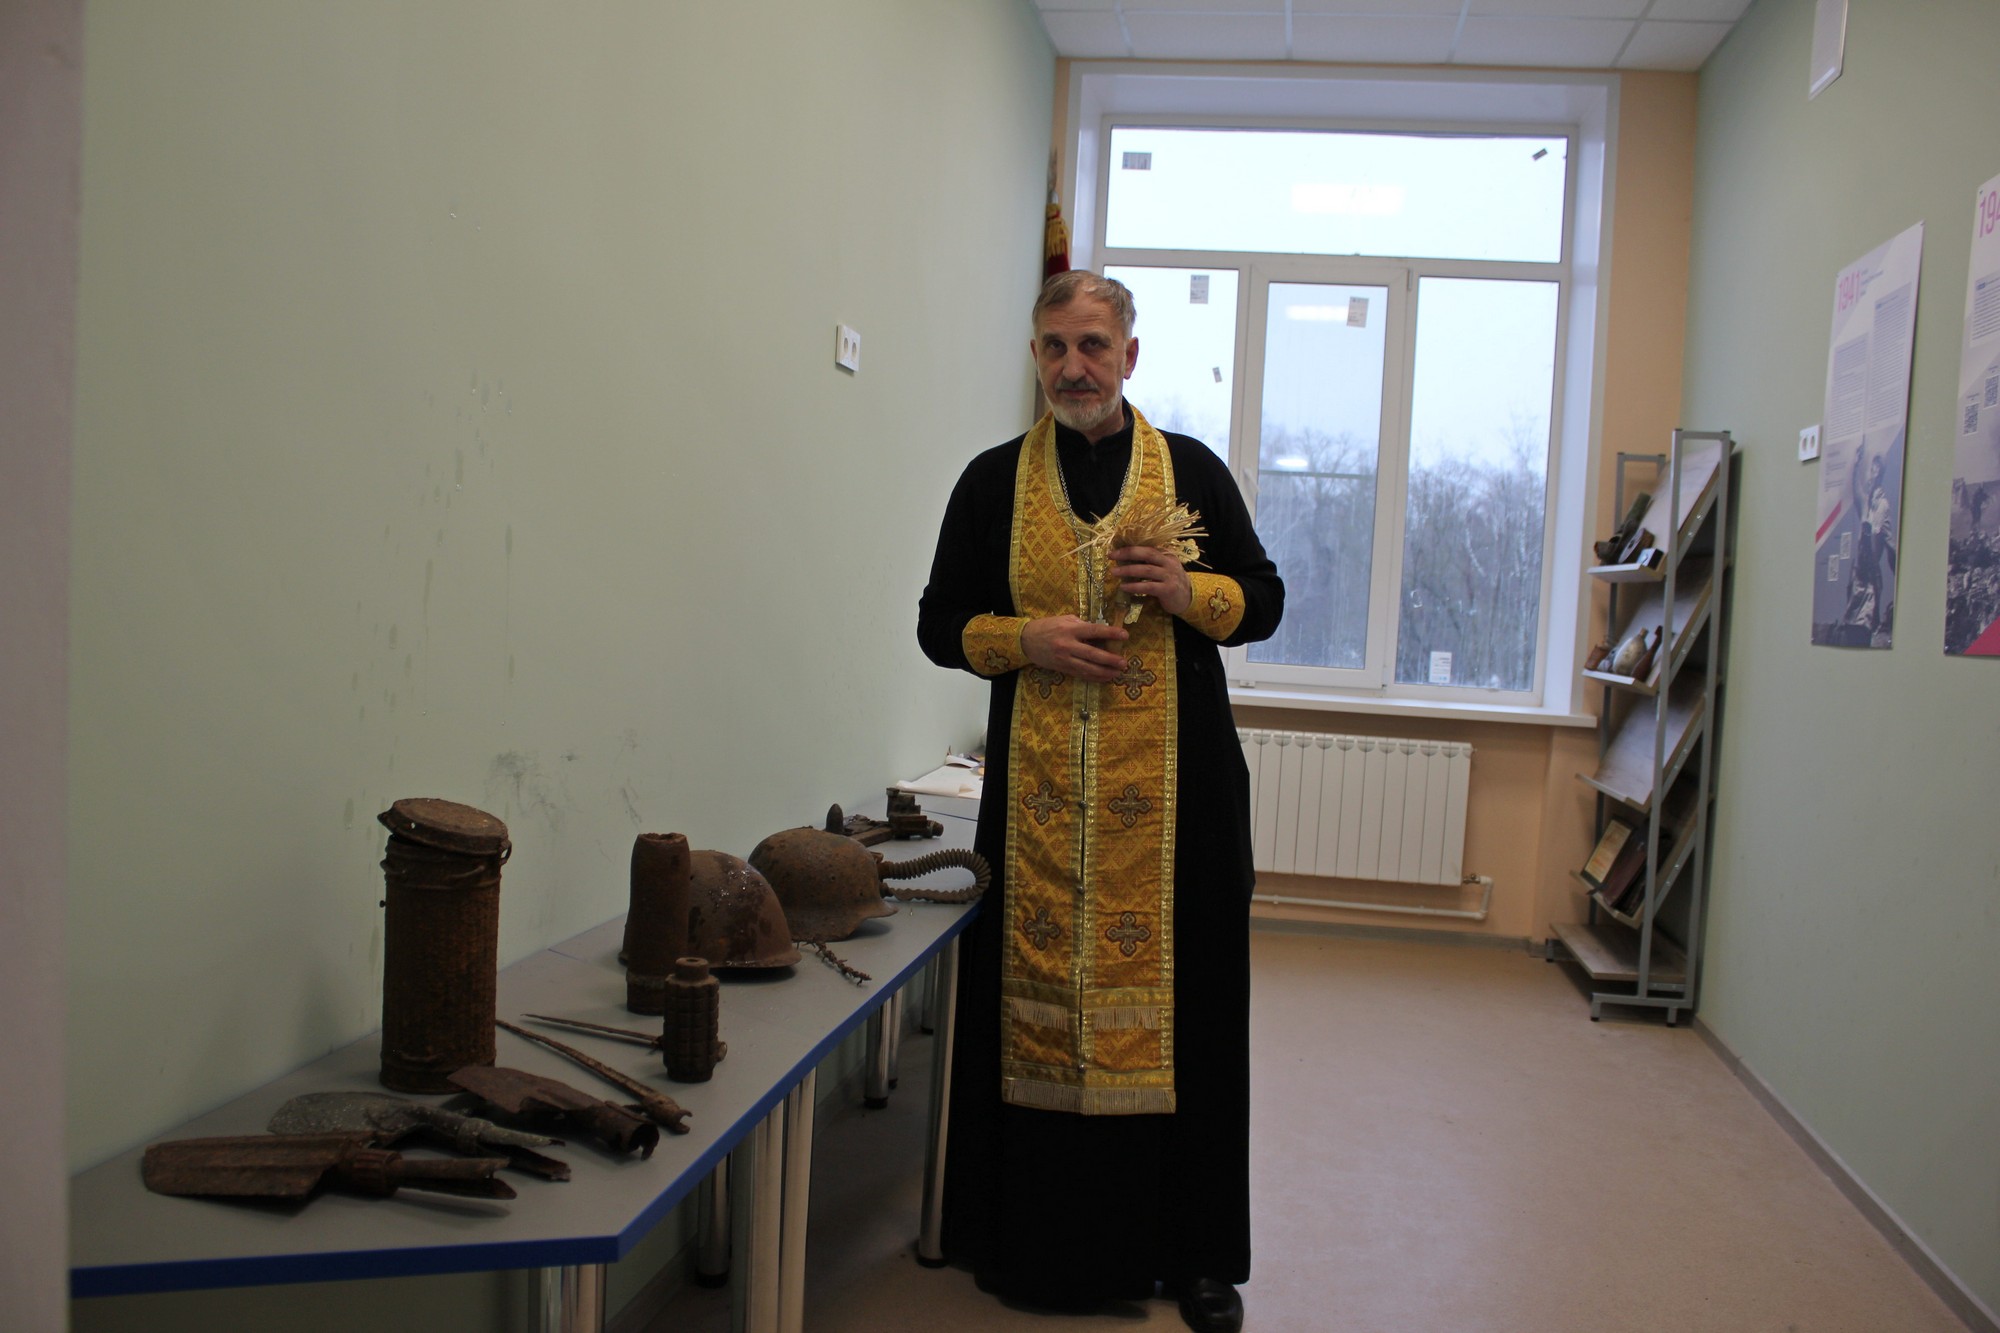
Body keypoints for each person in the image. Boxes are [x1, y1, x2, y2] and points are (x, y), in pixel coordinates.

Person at [917, 271, 1284, 1333]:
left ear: (1129, 354)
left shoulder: (1193, 473)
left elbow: (1263, 599)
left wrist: (1186, 591)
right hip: (1035, 801)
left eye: (1090, 345)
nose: (1072, 367)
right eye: (1052, 346)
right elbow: (939, 624)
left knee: (1193, 1017)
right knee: (1028, 1010)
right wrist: (1024, 639)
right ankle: (1028, 1243)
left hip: (1179, 804)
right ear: (1034, 357)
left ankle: (1196, 1256)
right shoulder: (991, 482)